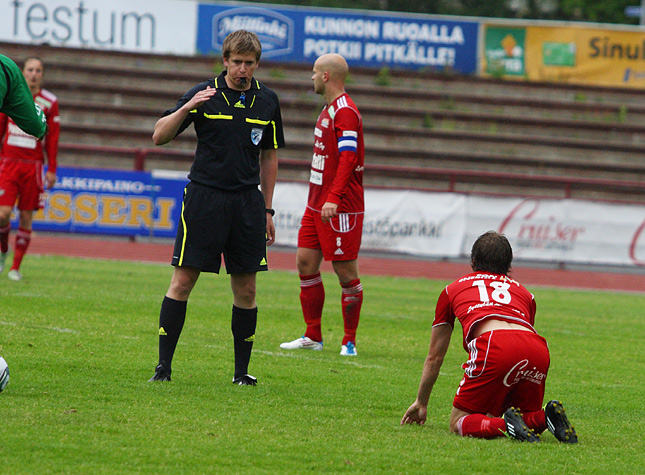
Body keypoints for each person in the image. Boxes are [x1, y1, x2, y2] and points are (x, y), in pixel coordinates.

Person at [148, 30, 285, 386]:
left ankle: (242, 373)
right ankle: (163, 368)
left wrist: (268, 210)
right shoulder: (203, 92)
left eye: (249, 63)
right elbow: (159, 136)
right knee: (182, 282)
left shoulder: (268, 101)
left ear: (257, 64)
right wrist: (187, 107)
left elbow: (269, 156)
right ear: (225, 61)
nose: (242, 69)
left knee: (247, 290)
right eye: (236, 62)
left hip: (246, 203)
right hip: (205, 199)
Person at [400, 231, 578, 443]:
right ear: (508, 264)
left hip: (495, 345)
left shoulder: (452, 289)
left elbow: (435, 357)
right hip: (537, 348)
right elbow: (521, 335)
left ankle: (506, 425)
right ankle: (546, 416)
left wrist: (421, 402)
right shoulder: (526, 294)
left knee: (459, 422)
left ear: (473, 261)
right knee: (524, 417)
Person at [280, 54, 365, 356]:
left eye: (315, 73)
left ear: (326, 76)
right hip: (316, 204)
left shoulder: (345, 112)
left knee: (345, 273)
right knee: (305, 262)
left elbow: (349, 158)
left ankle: (349, 340)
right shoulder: (329, 110)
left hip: (339, 207)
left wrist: (334, 197)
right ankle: (313, 336)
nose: (311, 78)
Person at [0, 56, 59, 281]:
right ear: (22, 72)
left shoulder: (50, 102)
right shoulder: (10, 93)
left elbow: (52, 138)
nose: (34, 74)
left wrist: (51, 168)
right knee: (2, 214)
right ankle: (3, 249)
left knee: (26, 217)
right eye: (30, 69)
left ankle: (15, 268)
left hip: (33, 167)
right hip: (8, 163)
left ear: (42, 75)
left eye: (38, 70)